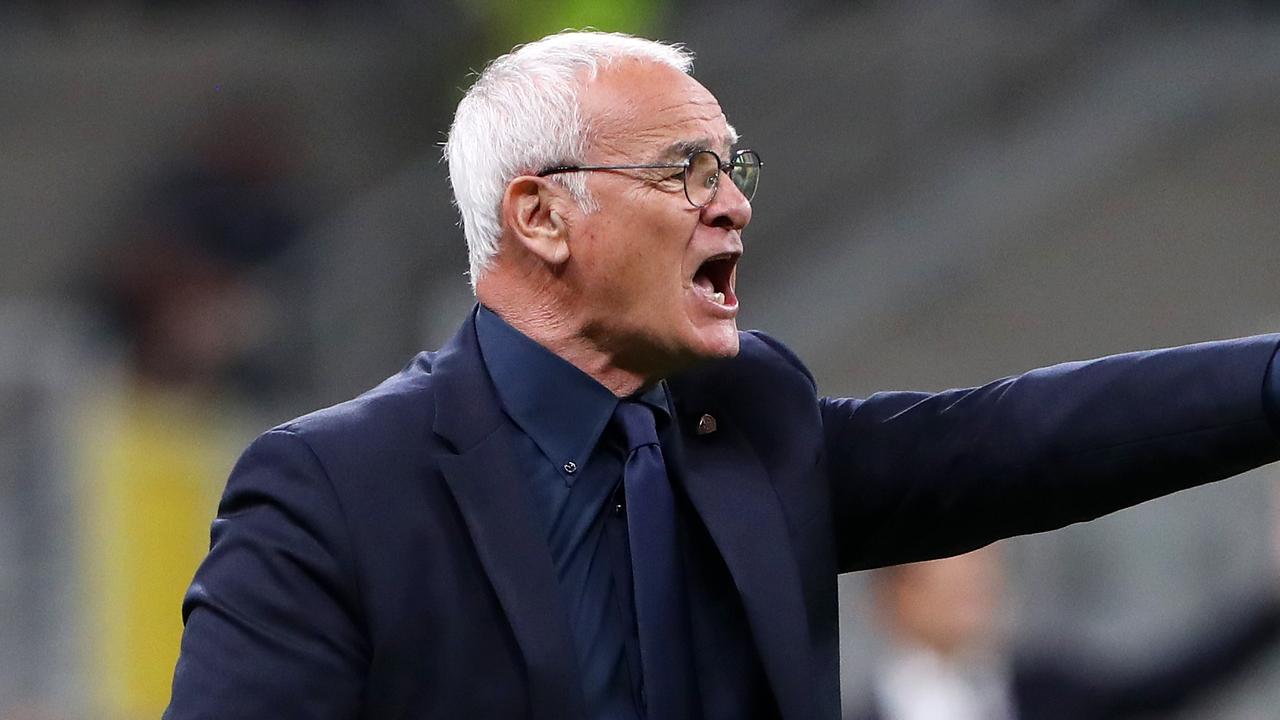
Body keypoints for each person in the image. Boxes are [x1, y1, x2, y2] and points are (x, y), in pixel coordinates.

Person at [163, 31, 1280, 720]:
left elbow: (1012, 440)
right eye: (685, 169)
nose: (733, 201)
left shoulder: (747, 424)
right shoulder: (332, 492)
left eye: (732, 168)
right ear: (542, 215)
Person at [851, 545, 1280, 720]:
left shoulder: (1050, 690)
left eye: (981, 577)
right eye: (953, 583)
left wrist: (1270, 607)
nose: (975, 589)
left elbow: (1166, 686)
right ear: (893, 597)